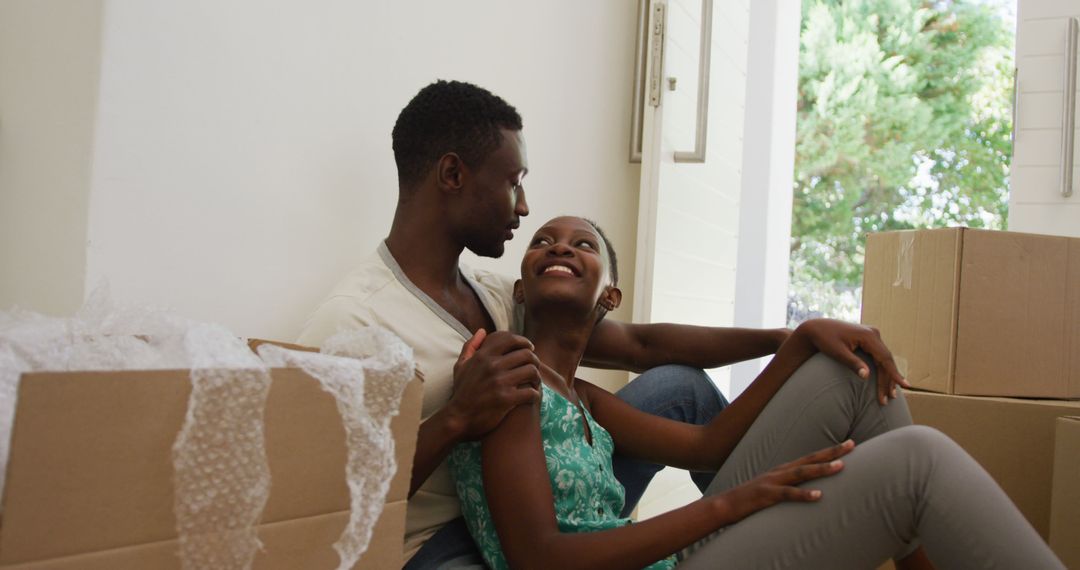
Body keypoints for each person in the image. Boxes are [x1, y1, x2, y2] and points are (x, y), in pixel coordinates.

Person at [297, 80, 906, 568]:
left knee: (681, 388)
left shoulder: (496, 296)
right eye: (514, 184)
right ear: (453, 176)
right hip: (441, 542)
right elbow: (329, 502)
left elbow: (639, 344)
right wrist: (457, 418)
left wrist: (788, 340)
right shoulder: (353, 323)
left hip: (543, 487)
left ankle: (772, 523)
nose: (526, 205)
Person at [449, 215, 1063, 569]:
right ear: (521, 290)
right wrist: (731, 504)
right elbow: (540, 561)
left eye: (583, 244)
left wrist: (795, 341)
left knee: (850, 369)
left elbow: (711, 442)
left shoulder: (587, 399)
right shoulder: (508, 376)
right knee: (919, 462)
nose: (559, 245)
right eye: (543, 241)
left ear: (609, 297)